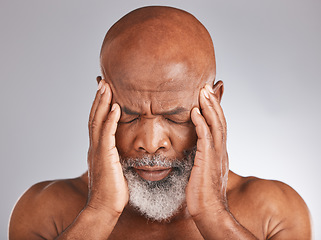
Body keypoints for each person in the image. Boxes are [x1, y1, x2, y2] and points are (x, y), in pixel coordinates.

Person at [9, 6, 312, 240]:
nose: (151, 143)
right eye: (128, 113)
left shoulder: (275, 211)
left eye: (175, 116)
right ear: (102, 101)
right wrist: (99, 211)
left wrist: (215, 216)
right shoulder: (44, 211)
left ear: (213, 102)